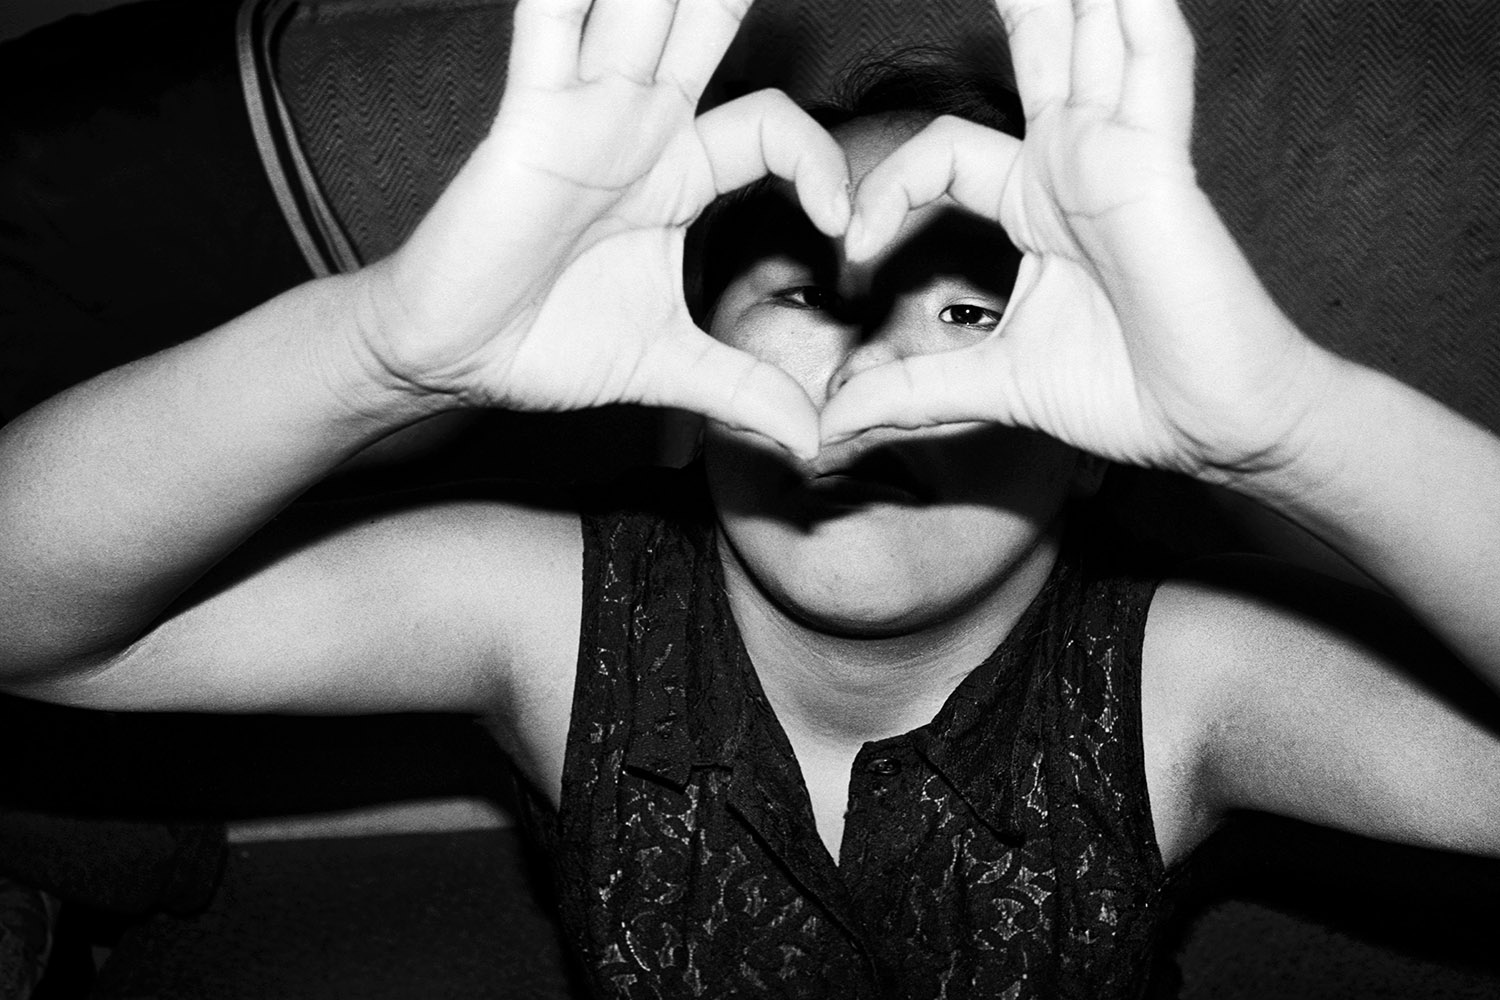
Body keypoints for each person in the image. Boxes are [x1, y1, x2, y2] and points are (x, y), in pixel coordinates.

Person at [0, 0, 1497, 996]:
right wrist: (385, 348)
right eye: (802, 285)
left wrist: (1291, 429)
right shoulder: (550, 619)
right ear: (672, 391)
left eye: (976, 311)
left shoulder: (1187, 680)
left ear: (1102, 434)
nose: (879, 355)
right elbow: (34, 625)